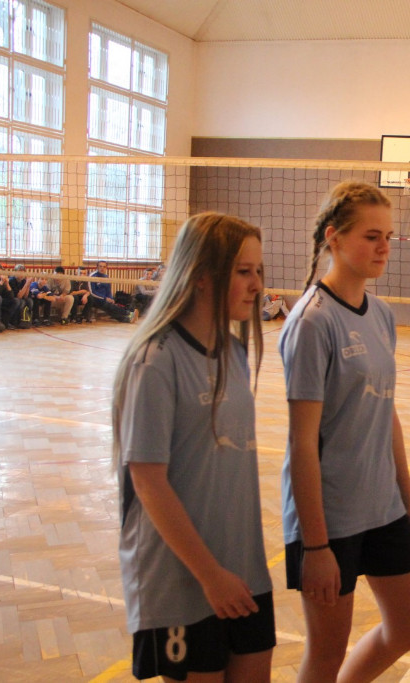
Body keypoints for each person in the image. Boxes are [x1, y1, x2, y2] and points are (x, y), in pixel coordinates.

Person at [112, 212, 274, 682]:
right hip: (183, 578)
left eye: (258, 271)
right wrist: (209, 576)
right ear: (202, 275)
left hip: (243, 567)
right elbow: (148, 483)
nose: (257, 285)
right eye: (243, 271)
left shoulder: (235, 352)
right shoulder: (155, 361)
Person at [279, 181, 410, 682]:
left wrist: (409, 503)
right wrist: (315, 546)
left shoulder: (381, 315)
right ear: (335, 238)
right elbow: (302, 443)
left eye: (388, 236)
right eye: (371, 236)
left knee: (409, 629)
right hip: (330, 517)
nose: (384, 247)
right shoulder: (311, 323)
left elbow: (387, 415)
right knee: (326, 652)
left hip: (383, 507)